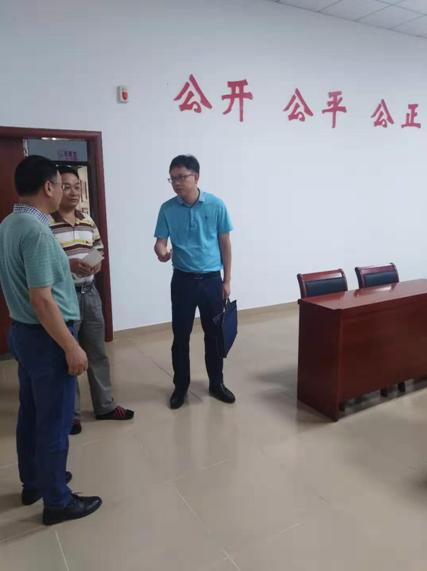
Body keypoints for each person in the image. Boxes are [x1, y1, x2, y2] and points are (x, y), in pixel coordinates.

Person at [0, 155, 102, 525]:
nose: (64, 190)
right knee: (55, 421)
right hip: (48, 338)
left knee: (30, 413)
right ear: (48, 187)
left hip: (24, 334)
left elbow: (31, 274)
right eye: (61, 184)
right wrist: (71, 346)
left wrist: (66, 264)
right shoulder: (39, 232)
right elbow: (42, 300)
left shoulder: (11, 223)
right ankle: (57, 501)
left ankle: (35, 482)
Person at [50, 166, 134, 434]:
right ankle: (71, 414)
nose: (73, 192)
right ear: (53, 188)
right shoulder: (45, 223)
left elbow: (98, 247)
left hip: (90, 293)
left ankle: (105, 405)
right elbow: (45, 262)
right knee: (68, 356)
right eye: (66, 186)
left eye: (77, 186)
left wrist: (96, 263)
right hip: (63, 297)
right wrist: (70, 266)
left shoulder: (87, 220)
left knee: (97, 353)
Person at [154, 154, 236, 409]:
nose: (177, 183)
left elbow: (225, 244)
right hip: (183, 281)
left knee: (214, 335)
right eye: (172, 178)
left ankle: (216, 383)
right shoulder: (167, 209)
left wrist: (226, 281)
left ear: (196, 177)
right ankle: (181, 387)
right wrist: (161, 251)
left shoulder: (216, 205)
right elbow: (160, 242)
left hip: (211, 280)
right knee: (180, 336)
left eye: (181, 177)